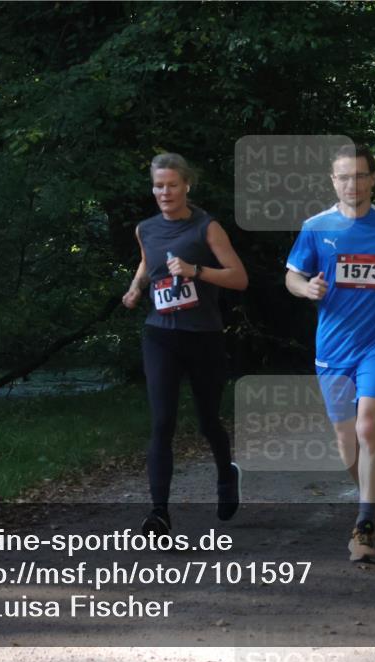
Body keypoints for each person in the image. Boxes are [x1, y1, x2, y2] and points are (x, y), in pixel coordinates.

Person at [284, 144, 375, 564]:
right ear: (333, 181)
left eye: (361, 175)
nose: (353, 184)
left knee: (368, 426)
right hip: (333, 349)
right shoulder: (316, 227)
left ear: (373, 179)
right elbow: (292, 275)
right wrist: (306, 288)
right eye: (345, 177)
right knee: (346, 443)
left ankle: (363, 526)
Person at [122, 153, 249, 536]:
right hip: (160, 334)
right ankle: (159, 513)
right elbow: (147, 263)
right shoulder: (146, 229)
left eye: (172, 185)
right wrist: (135, 288)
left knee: (208, 420)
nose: (164, 192)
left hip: (203, 336)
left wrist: (197, 271)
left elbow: (239, 278)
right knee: (162, 422)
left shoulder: (207, 227)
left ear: (186, 186)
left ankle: (226, 474)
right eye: (158, 186)